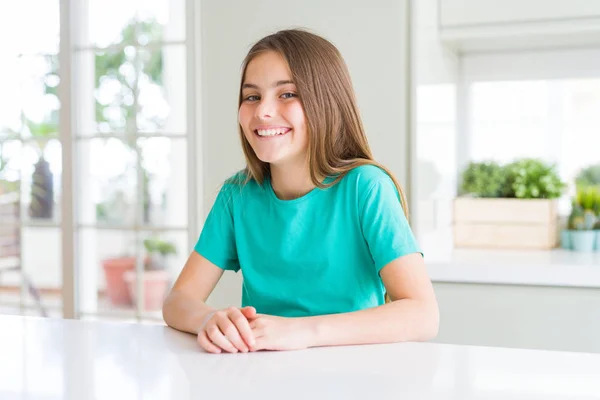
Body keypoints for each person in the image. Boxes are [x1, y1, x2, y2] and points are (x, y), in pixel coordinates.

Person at [162, 28, 439, 354]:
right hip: (261, 376)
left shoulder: (367, 188)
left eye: (287, 94)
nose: (262, 111)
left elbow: (423, 315)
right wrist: (209, 319)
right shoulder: (237, 196)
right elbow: (177, 301)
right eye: (252, 96)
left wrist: (301, 332)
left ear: (327, 102)